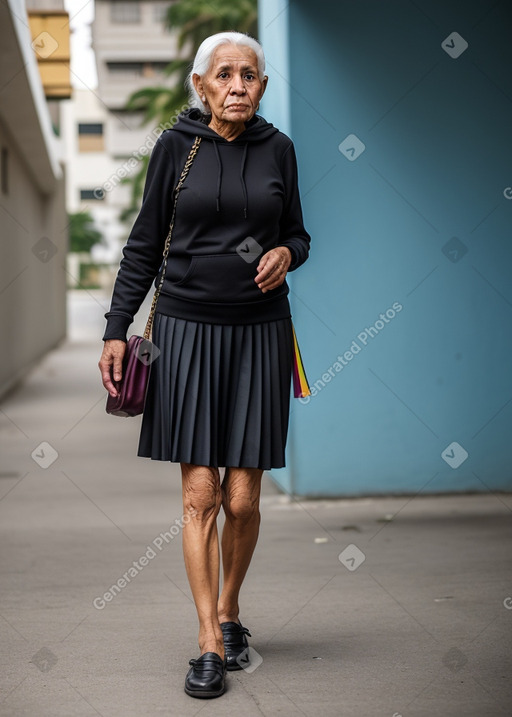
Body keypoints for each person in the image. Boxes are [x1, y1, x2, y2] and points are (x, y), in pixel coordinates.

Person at [99, 31, 310, 699]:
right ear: (201, 86)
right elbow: (142, 243)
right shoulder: (176, 146)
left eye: (250, 74)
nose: (238, 84)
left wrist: (287, 254)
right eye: (225, 74)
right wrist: (115, 328)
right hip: (185, 328)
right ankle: (209, 641)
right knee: (201, 494)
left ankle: (230, 607)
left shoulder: (278, 148)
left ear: (263, 87)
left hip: (259, 333)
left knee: (243, 496)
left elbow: (298, 231)